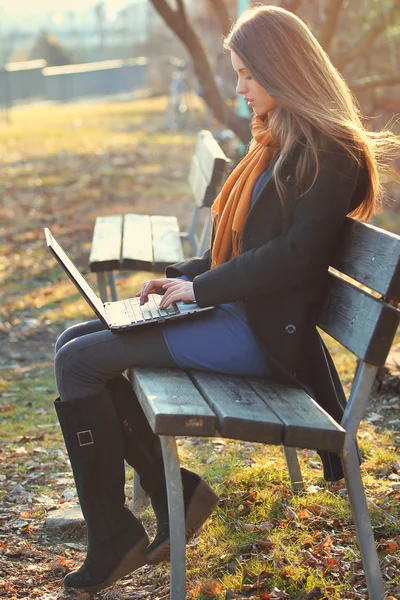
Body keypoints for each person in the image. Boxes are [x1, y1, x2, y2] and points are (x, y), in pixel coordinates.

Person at [53, 5, 399, 594]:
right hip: (238, 314)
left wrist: (203, 289)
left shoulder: (327, 152)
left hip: (260, 336)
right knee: (74, 342)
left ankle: (119, 532)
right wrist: (184, 278)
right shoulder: (280, 138)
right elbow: (251, 245)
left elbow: (296, 258)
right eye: (236, 72)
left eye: (246, 73)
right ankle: (172, 500)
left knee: (78, 362)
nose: (238, 86)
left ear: (282, 69)